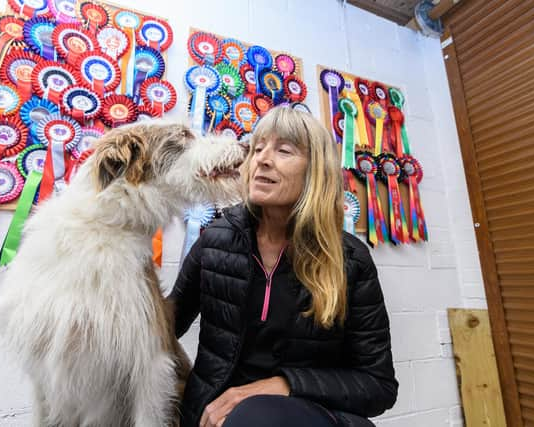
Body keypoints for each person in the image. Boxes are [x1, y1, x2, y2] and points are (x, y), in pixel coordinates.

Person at [169, 106, 398, 427]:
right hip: (218, 416)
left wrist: (281, 386)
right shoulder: (215, 240)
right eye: (257, 147)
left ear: (315, 171)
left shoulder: (351, 259)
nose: (262, 159)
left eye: (284, 150)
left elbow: (379, 385)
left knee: (252, 415)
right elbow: (163, 330)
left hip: (312, 413)